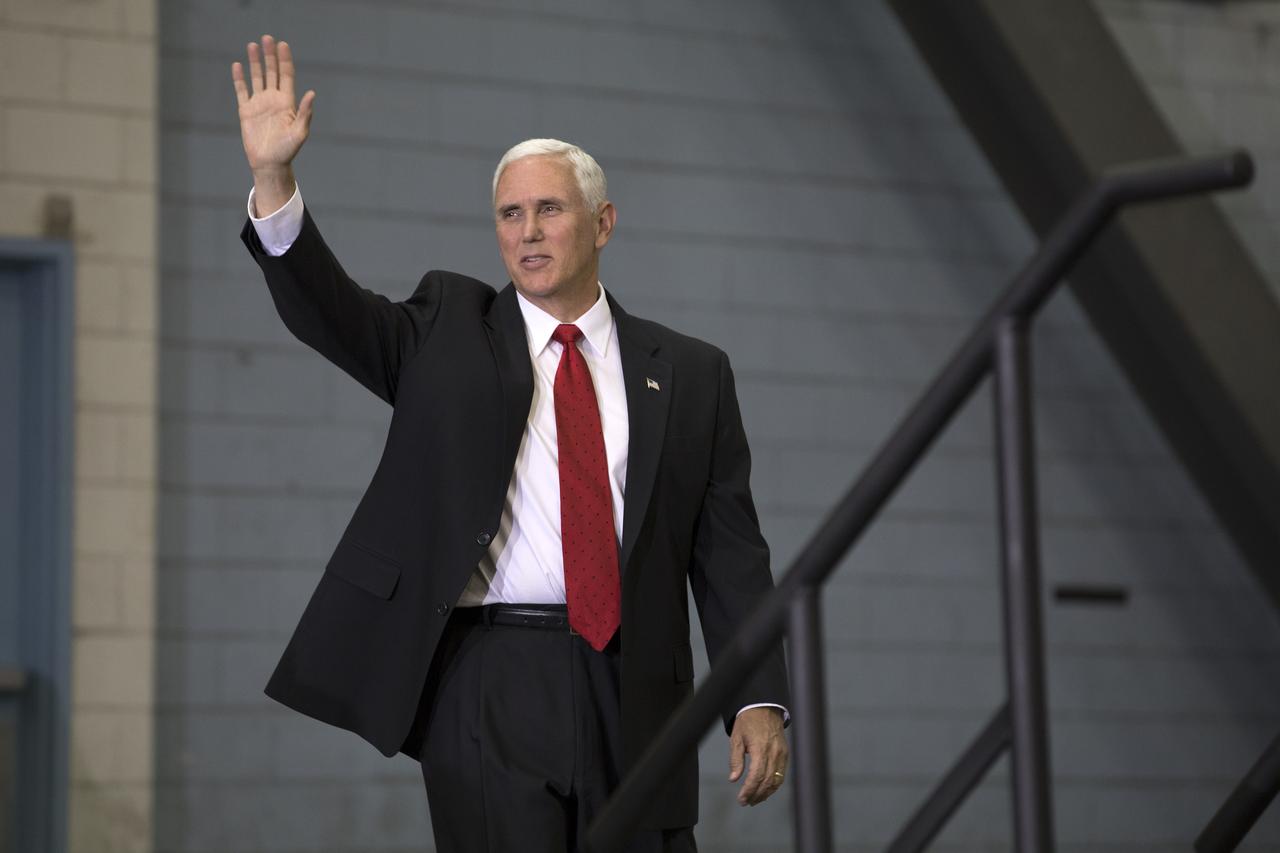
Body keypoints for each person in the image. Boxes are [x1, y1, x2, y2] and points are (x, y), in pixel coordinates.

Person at [230, 34, 791, 852]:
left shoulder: (694, 373)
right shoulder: (446, 330)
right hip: (486, 678)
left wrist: (757, 696)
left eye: (550, 209)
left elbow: (731, 551)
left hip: (636, 681)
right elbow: (334, 312)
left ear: (602, 222)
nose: (528, 231)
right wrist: (274, 181)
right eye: (510, 213)